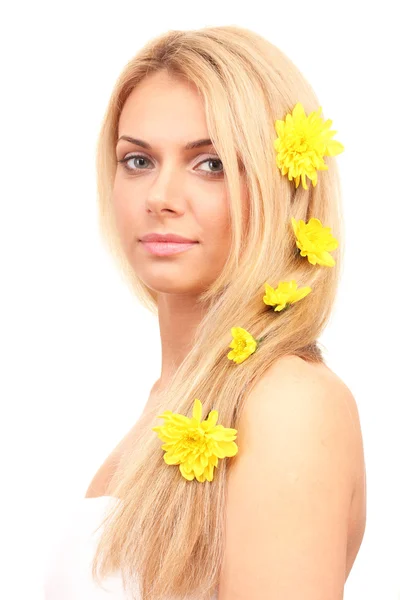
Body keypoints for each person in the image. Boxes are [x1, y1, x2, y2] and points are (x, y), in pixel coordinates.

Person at [44, 24, 366, 600]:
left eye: (211, 163)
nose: (160, 196)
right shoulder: (171, 400)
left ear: (283, 183)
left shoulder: (288, 401)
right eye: (138, 160)